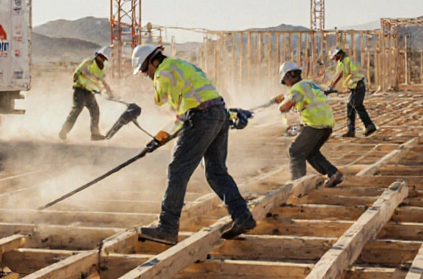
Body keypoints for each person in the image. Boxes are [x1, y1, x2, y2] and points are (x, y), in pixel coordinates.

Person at [132, 44, 255, 246]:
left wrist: (161, 137)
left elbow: (180, 114)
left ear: (154, 60)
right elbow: (190, 107)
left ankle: (167, 227)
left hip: (201, 117)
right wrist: (160, 137)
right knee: (216, 172)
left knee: (178, 170)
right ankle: (242, 215)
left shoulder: (164, 74)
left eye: (145, 69)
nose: (146, 74)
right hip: (219, 113)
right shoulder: (181, 65)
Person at [275, 61, 344, 187]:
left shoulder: (297, 89)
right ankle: (333, 173)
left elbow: (284, 108)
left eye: (285, 80)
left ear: (290, 75)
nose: (285, 84)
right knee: (311, 152)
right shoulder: (310, 84)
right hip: (327, 124)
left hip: (315, 125)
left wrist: (281, 101)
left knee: (295, 151)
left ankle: (298, 182)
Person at [59, 46, 113, 141]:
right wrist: (76, 77)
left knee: (95, 111)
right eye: (100, 56)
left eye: (103, 58)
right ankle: (64, 131)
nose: (101, 59)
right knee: (77, 110)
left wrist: (108, 91)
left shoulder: (101, 68)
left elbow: (102, 80)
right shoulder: (88, 62)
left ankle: (95, 134)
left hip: (89, 92)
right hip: (80, 90)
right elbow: (77, 72)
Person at [327, 47, 376, 137]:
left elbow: (344, 74)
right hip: (355, 87)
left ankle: (369, 126)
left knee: (356, 105)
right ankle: (351, 131)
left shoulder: (346, 61)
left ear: (338, 54)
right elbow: (340, 75)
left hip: (358, 85)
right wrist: (332, 86)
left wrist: (331, 87)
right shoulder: (341, 62)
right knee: (351, 107)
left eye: (334, 57)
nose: (334, 59)